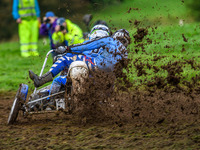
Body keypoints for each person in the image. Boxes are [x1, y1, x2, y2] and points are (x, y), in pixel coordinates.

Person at [29, 28, 130, 90]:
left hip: (95, 66)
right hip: (106, 80)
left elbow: (87, 46)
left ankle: (41, 80)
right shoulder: (125, 54)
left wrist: (67, 48)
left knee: (67, 58)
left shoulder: (109, 40)